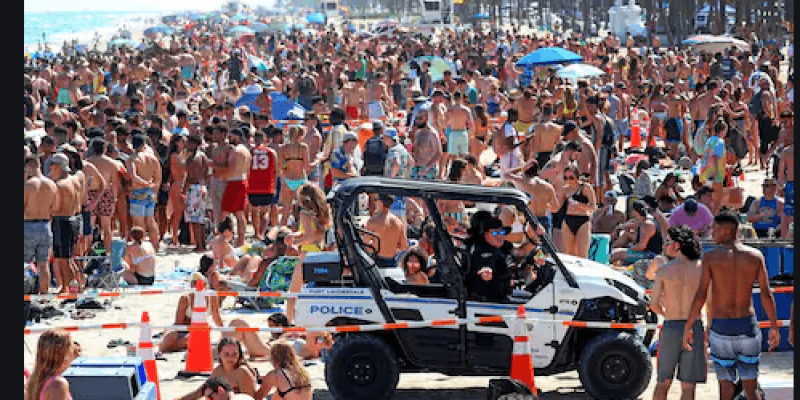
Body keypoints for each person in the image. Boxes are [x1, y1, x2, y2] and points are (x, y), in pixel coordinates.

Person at [682, 209, 782, 400]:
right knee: (751, 388)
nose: (713, 233)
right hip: (747, 326)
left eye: (716, 229)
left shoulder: (711, 258)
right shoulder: (755, 256)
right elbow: (766, 294)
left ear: (727, 231)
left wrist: (688, 326)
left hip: (722, 328)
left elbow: (701, 294)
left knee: (725, 390)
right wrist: (774, 326)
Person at [649, 225, 708, 400]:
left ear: (677, 245)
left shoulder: (665, 270)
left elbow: (653, 304)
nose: (665, 246)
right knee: (689, 387)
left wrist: (667, 313)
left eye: (667, 242)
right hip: (694, 326)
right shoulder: (702, 269)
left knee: (663, 382)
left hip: (671, 325)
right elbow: (709, 302)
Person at [157, 272, 224, 354]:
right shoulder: (185, 298)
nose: (196, 286)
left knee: (191, 338)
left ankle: (166, 348)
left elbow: (216, 318)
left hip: (198, 329)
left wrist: (223, 332)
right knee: (172, 335)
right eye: (194, 284)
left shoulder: (212, 297)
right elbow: (178, 323)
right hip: (183, 327)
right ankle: (159, 350)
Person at [224, 312, 331, 361]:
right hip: (267, 348)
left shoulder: (310, 351)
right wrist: (298, 334)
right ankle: (223, 350)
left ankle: (222, 351)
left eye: (323, 341)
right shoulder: (305, 344)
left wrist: (288, 335)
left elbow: (315, 330)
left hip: (269, 350)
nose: (321, 341)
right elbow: (315, 333)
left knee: (239, 324)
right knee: (237, 323)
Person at [179, 338, 258, 399]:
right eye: (226, 354)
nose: (230, 358)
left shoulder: (242, 372)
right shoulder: (219, 370)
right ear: (219, 354)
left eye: (234, 354)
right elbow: (200, 391)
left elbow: (248, 398)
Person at [25, 155, 59, 294]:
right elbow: (55, 208)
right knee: (43, 264)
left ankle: (25, 294)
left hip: (27, 225)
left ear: (28, 167)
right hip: (45, 225)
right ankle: (44, 294)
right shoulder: (52, 185)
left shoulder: (27, 185)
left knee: (25, 263)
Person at [49, 152, 81, 293]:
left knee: (63, 259)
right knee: (68, 258)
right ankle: (74, 287)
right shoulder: (75, 180)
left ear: (58, 167)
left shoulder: (60, 185)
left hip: (62, 221)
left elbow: (56, 207)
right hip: (73, 219)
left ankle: (71, 289)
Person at [464, 212, 513, 302]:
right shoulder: (478, 251)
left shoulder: (505, 249)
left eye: (502, 232)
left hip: (504, 296)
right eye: (494, 233)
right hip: (486, 302)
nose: (500, 236)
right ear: (485, 235)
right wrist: (485, 273)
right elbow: (484, 265)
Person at [127, 133, 162, 251]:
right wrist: (152, 188)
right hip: (150, 192)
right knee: (151, 220)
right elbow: (158, 178)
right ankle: (155, 246)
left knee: (138, 222)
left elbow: (133, 176)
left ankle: (141, 248)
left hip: (138, 192)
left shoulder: (132, 158)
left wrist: (144, 183)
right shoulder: (153, 158)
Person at [219, 128, 252, 247]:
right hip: (243, 181)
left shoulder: (235, 151)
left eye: (231, 137)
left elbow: (231, 169)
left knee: (225, 212)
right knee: (239, 213)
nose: (229, 139)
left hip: (234, 182)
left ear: (236, 137)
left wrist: (216, 169)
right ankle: (241, 239)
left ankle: (221, 237)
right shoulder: (246, 151)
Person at [556, 165, 596, 259]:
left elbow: (593, 207)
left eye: (571, 178)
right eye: (565, 178)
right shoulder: (565, 189)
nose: (568, 180)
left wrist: (580, 206)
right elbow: (557, 207)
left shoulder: (585, 188)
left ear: (577, 177)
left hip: (582, 220)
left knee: (582, 254)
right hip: (568, 219)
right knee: (569, 254)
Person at [25, 329, 78, 400]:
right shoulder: (57, 384)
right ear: (63, 354)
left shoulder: (34, 380)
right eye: (71, 348)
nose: (74, 351)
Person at [247, 129, 278, 240]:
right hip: (267, 185)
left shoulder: (250, 151)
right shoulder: (271, 152)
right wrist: (274, 186)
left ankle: (256, 233)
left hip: (253, 185)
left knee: (254, 211)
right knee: (265, 212)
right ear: (265, 139)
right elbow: (275, 171)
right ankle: (262, 232)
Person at [610, 200, 663, 265]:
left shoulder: (647, 224)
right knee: (627, 234)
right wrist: (617, 229)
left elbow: (641, 246)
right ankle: (610, 249)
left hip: (650, 255)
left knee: (617, 254)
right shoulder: (641, 219)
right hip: (644, 250)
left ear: (635, 211)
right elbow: (627, 225)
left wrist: (626, 250)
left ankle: (608, 263)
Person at [363, 193, 408, 269]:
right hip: (392, 261)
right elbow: (404, 246)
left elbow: (366, 245)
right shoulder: (399, 223)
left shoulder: (373, 221)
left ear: (380, 202)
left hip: (377, 261)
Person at [183, 134, 211, 251]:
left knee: (195, 219)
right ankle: (201, 243)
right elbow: (207, 173)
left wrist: (184, 190)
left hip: (194, 187)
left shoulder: (193, 158)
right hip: (201, 187)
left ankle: (199, 245)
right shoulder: (203, 156)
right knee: (200, 218)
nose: (187, 145)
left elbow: (189, 176)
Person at [277, 125, 310, 226]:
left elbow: (281, 166)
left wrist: (289, 164)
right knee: (304, 208)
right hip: (301, 178)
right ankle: (303, 229)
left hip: (288, 178)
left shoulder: (283, 148)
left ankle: (282, 231)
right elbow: (307, 166)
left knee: (286, 208)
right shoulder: (303, 147)